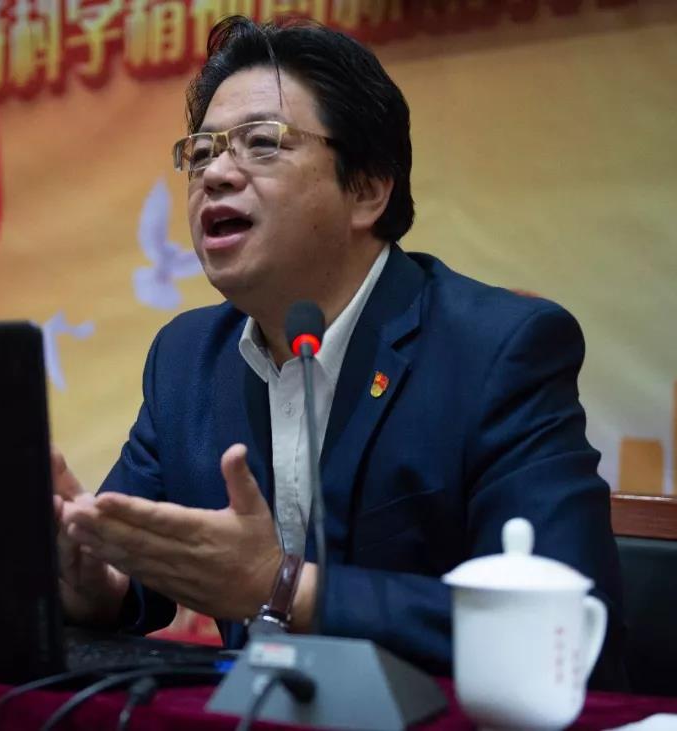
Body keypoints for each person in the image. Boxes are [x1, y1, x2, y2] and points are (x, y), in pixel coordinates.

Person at [52, 16, 624, 686]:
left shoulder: (497, 350)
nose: (216, 174)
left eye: (261, 143)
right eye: (201, 152)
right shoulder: (186, 360)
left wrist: (284, 586)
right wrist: (96, 582)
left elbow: (566, 630)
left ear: (368, 189)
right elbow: (136, 566)